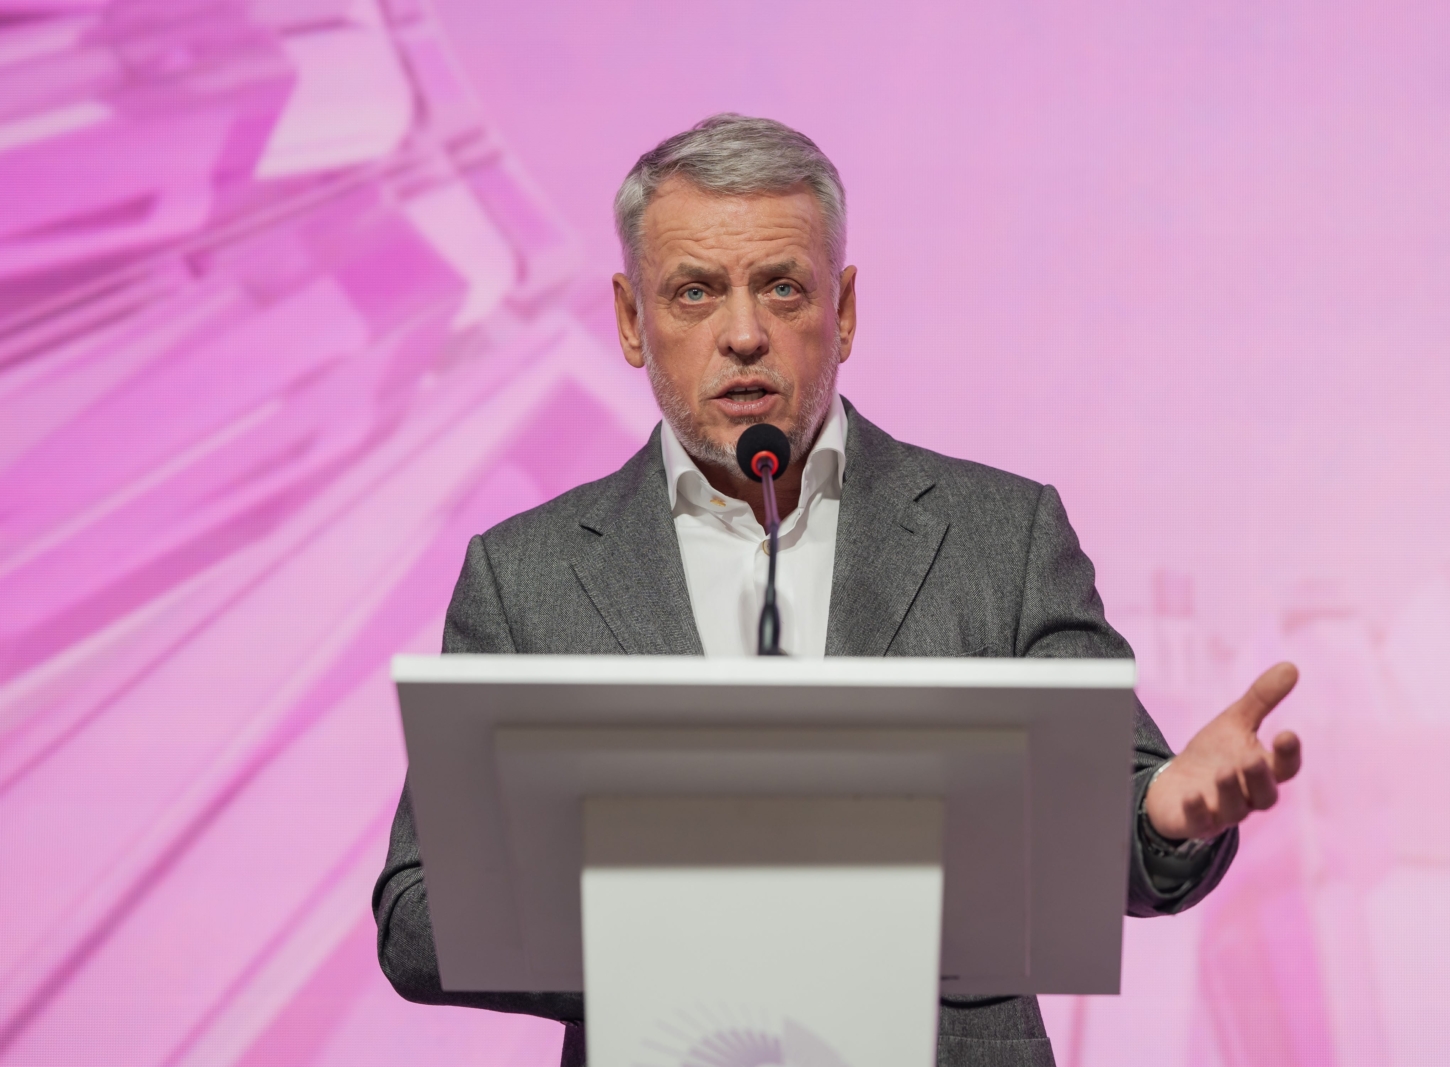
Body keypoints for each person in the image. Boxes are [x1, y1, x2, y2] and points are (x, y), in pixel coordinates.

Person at [373, 114, 1303, 1067]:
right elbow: (419, 912)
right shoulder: (525, 574)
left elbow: (1120, 814)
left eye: (782, 287)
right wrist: (693, 931)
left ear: (845, 309)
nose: (744, 334)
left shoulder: (1001, 535)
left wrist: (1165, 813)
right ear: (628, 320)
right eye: (694, 292)